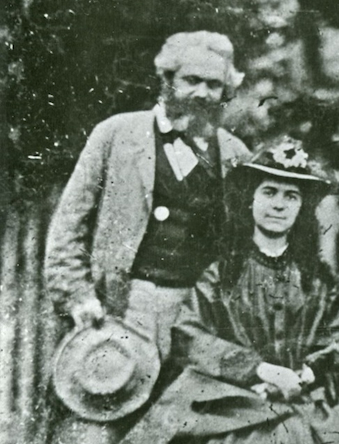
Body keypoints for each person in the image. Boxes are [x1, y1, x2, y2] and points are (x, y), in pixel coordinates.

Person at [45, 31, 250, 443]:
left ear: (225, 92)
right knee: (97, 429)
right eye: (191, 80)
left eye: (214, 85)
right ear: (167, 79)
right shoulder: (116, 134)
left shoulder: (235, 155)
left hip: (195, 320)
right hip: (121, 307)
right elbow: (68, 227)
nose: (202, 93)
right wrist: (78, 296)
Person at [119, 137, 339, 444]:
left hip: (303, 400)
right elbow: (190, 335)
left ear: (302, 207)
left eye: (291, 196)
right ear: (251, 199)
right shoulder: (221, 275)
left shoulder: (323, 281)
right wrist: (259, 370)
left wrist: (306, 373)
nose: (279, 204)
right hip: (229, 404)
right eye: (269, 192)